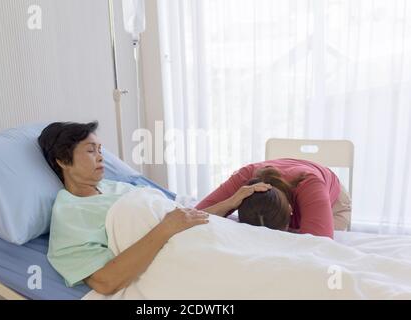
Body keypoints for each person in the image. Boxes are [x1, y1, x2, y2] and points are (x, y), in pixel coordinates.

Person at [38, 121, 209, 295]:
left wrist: (227, 204)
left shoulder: (115, 187)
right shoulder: (68, 214)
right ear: (62, 161)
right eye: (91, 150)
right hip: (174, 257)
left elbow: (182, 215)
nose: (100, 157)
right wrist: (166, 228)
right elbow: (105, 282)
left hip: (195, 237)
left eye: (100, 150)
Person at [195, 159, 352, 239]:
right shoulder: (244, 178)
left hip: (334, 204)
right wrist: (230, 202)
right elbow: (192, 216)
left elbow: (320, 247)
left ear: (291, 210)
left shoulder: (311, 185)